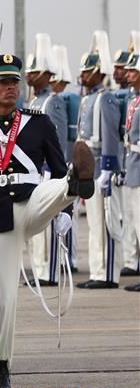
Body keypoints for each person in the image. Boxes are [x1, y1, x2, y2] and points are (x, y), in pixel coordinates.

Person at [0, 52, 95, 388]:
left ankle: (76, 187)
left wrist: (65, 210)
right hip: (0, 211)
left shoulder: (39, 122)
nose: (10, 88)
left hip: (35, 200)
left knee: (59, 185)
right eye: (2, 82)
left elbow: (56, 167)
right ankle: (1, 365)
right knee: (3, 296)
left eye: (15, 81)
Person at [75, 31, 123, 289]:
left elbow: (110, 136)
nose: (82, 76)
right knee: (94, 224)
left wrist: (107, 169)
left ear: (98, 72)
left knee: (105, 224)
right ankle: (97, 271)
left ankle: (107, 274)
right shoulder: (88, 98)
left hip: (100, 168)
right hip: (87, 168)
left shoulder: (105, 98)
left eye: (86, 72)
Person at [24, 35, 71, 286]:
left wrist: (57, 172)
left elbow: (59, 140)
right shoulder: (34, 101)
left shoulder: (52, 101)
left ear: (46, 74)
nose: (29, 76)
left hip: (48, 169)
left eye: (34, 72)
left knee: (52, 219)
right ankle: (40, 269)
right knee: (36, 223)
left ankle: (50, 272)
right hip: (35, 169)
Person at [121, 51, 140, 291]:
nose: (128, 74)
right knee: (136, 224)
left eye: (132, 71)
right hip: (133, 166)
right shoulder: (134, 100)